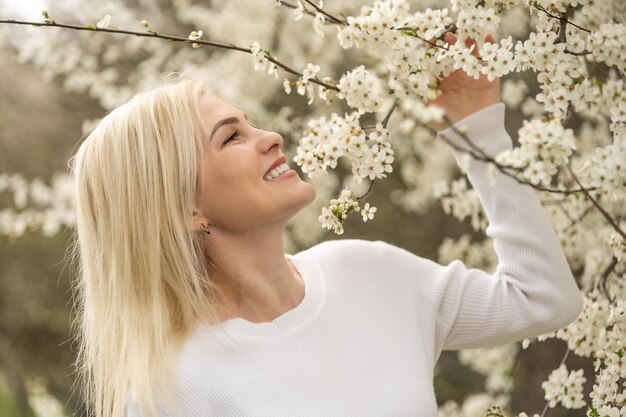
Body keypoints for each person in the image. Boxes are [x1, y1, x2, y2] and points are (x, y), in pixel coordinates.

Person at [68, 32, 583, 417]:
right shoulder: (171, 393)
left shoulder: (367, 271)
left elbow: (543, 299)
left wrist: (479, 136)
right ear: (183, 210)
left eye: (251, 123)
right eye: (231, 138)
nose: (270, 136)